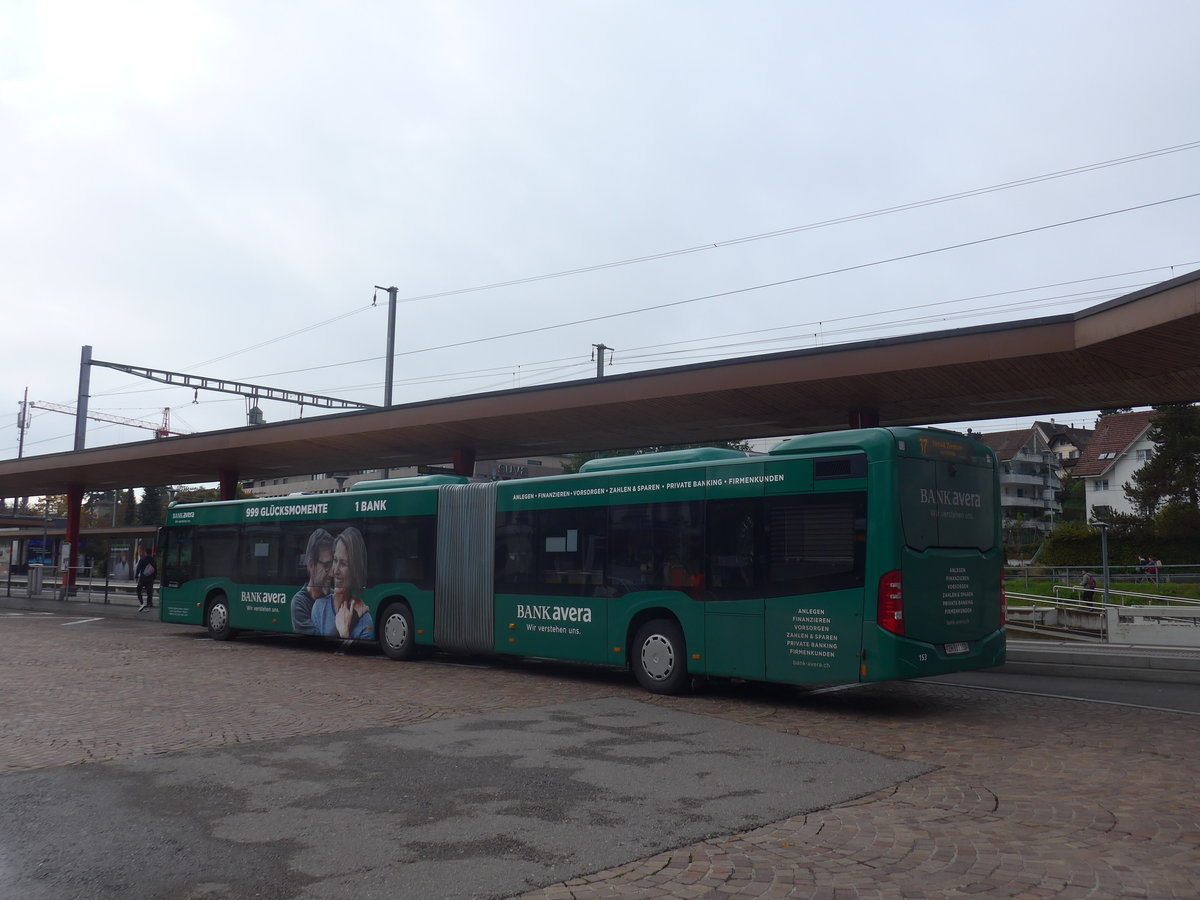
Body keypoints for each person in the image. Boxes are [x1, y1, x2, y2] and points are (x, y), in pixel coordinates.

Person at [310, 527, 374, 639]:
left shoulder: (365, 621)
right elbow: (318, 652)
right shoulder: (319, 608)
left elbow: (354, 656)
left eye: (343, 564)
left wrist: (345, 634)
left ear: (355, 571)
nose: (335, 570)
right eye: (335, 560)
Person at [291, 528, 334, 635]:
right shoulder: (299, 603)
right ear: (311, 565)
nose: (332, 573)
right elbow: (318, 636)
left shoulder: (335, 596)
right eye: (327, 565)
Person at [135, 544, 157, 611]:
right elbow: (155, 571)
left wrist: (136, 576)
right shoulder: (153, 560)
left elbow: (138, 568)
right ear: (151, 553)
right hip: (150, 580)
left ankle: (142, 603)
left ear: (145, 552)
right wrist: (153, 578)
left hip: (143, 579)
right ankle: (148, 606)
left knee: (138, 590)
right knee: (149, 593)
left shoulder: (142, 559)